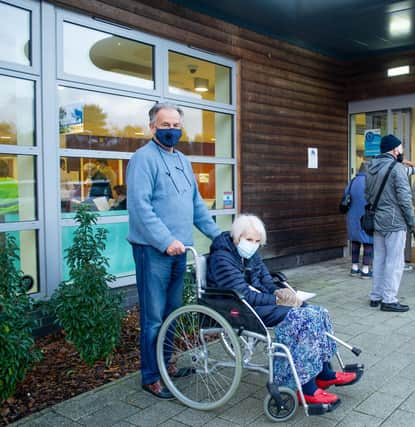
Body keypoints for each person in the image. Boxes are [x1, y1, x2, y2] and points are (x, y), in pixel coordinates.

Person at [206, 214, 357, 406]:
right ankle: (306, 387)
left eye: (257, 241)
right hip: (236, 307)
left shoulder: (250, 254)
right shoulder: (222, 258)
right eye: (249, 239)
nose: (253, 244)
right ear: (236, 238)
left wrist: (281, 292)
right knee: (301, 318)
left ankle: (323, 372)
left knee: (317, 312)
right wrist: (278, 300)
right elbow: (244, 294)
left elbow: (265, 280)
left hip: (254, 303)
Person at [127, 102, 221, 399]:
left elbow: (196, 206)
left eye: (175, 125)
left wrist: (220, 237)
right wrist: (165, 240)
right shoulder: (143, 159)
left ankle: (167, 365)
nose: (172, 130)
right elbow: (140, 207)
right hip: (153, 251)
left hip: (181, 251)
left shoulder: (183, 160)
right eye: (165, 125)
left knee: (172, 314)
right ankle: (151, 376)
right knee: (154, 317)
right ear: (152, 127)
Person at [365, 134, 415, 313]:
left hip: (377, 220)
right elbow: (404, 197)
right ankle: (389, 299)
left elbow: (368, 195)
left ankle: (375, 296)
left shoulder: (370, 167)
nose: (402, 151)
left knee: (379, 259)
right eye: (401, 147)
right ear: (394, 149)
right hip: (394, 222)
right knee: (395, 262)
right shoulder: (396, 168)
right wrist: (412, 220)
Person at [342, 162, 373, 278]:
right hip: (366, 216)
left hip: (352, 216)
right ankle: (365, 269)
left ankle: (354, 268)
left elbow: (345, 196)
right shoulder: (370, 182)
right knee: (368, 242)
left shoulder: (353, 181)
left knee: (355, 241)